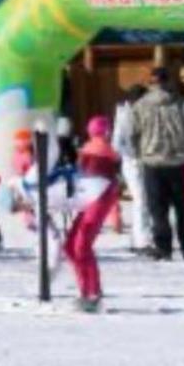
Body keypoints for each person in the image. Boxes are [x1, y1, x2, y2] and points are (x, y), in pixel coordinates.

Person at [130, 69, 184, 261]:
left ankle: (163, 247)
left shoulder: (140, 106)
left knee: (157, 209)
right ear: (168, 81)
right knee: (183, 207)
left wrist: (139, 154)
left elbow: (132, 134)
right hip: (177, 161)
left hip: (152, 162)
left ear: (151, 83)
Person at [62, 116, 122, 311]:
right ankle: (90, 290)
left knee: (77, 246)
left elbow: (82, 174)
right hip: (96, 199)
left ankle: (90, 292)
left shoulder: (92, 149)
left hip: (94, 199)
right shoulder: (107, 150)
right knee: (75, 245)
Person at [112, 83, 152, 250]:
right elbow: (116, 143)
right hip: (132, 163)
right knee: (141, 199)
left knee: (145, 199)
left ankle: (138, 237)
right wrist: (131, 154)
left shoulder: (141, 113)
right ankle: (141, 240)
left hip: (145, 161)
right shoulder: (125, 115)